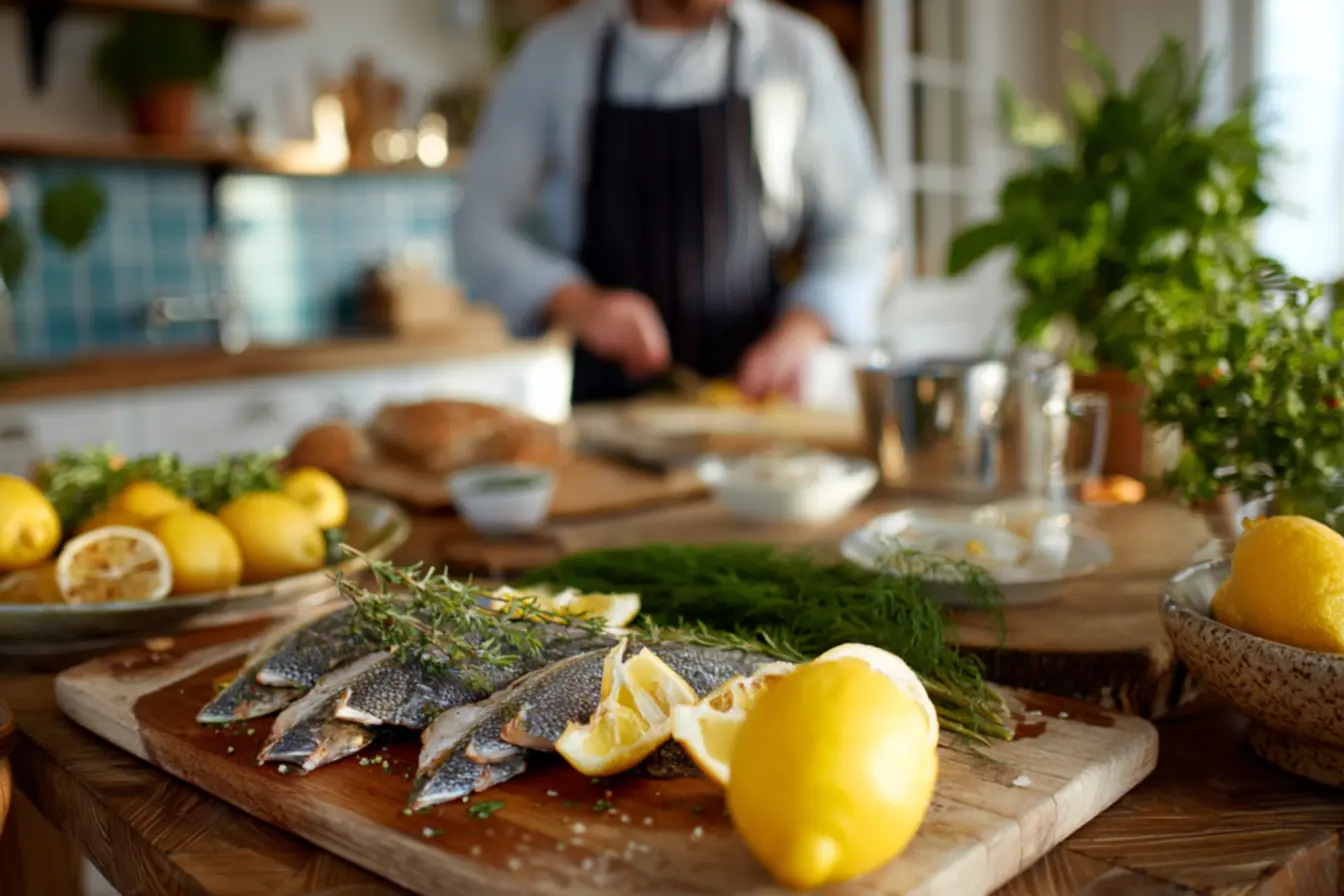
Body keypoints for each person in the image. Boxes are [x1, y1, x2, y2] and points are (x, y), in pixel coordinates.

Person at [454, 0, 895, 404]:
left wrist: (802, 330)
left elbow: (864, 230)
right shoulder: (554, 56)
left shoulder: (795, 52)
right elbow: (478, 228)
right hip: (603, 411)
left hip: (757, 404)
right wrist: (578, 302)